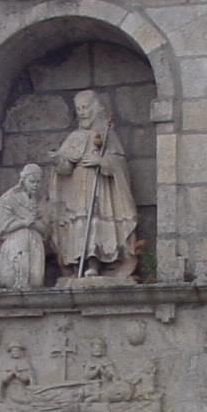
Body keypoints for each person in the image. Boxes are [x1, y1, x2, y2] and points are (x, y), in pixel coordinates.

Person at [51, 89, 137, 278]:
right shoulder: (74, 137)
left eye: (85, 107)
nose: (82, 112)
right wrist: (58, 161)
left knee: (97, 224)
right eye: (78, 108)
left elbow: (120, 163)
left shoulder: (107, 134)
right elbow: (64, 168)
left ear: (95, 108)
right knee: (80, 225)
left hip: (102, 190)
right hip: (77, 190)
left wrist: (102, 162)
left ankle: (95, 264)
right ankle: (78, 265)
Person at [0, 163, 48, 289]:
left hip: (35, 242)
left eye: (38, 182)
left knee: (36, 281)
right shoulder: (8, 199)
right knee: (16, 280)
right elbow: (0, 228)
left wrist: (35, 224)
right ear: (23, 181)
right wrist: (23, 223)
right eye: (32, 181)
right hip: (16, 241)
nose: (35, 185)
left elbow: (46, 230)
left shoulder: (41, 201)